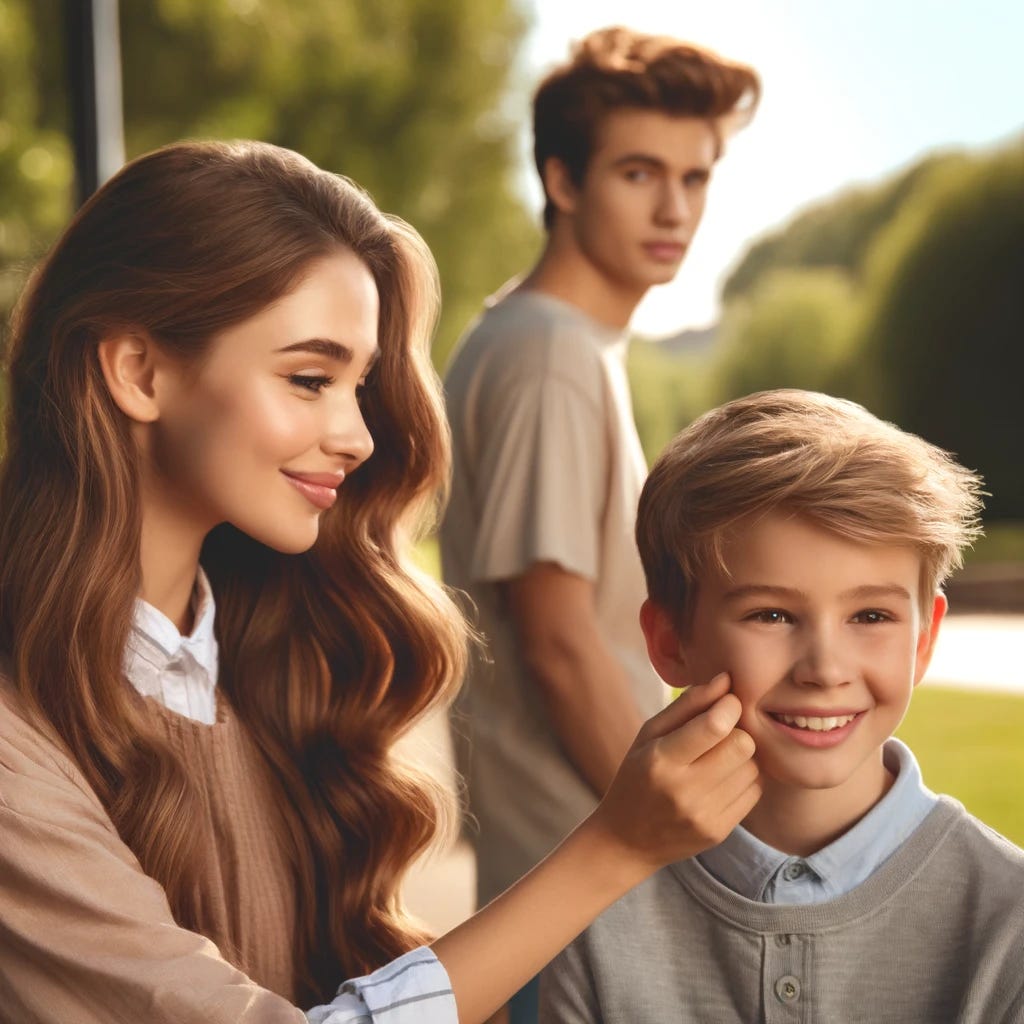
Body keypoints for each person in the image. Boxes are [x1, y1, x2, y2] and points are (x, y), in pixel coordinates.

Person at [0, 139, 765, 1024]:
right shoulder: (18, 750)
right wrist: (616, 847)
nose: (358, 437)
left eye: (357, 385)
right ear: (139, 372)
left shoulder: (264, 681)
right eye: (309, 378)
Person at [440, 27, 759, 1021]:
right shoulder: (547, 355)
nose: (675, 208)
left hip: (561, 882)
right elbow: (558, 641)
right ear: (563, 181)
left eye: (695, 177)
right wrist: (687, 832)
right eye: (638, 171)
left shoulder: (545, 341)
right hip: (573, 894)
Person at [539, 389, 1024, 1023]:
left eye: (871, 615)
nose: (824, 669)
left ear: (924, 638)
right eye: (771, 614)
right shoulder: (589, 909)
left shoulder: (1006, 916)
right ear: (669, 641)